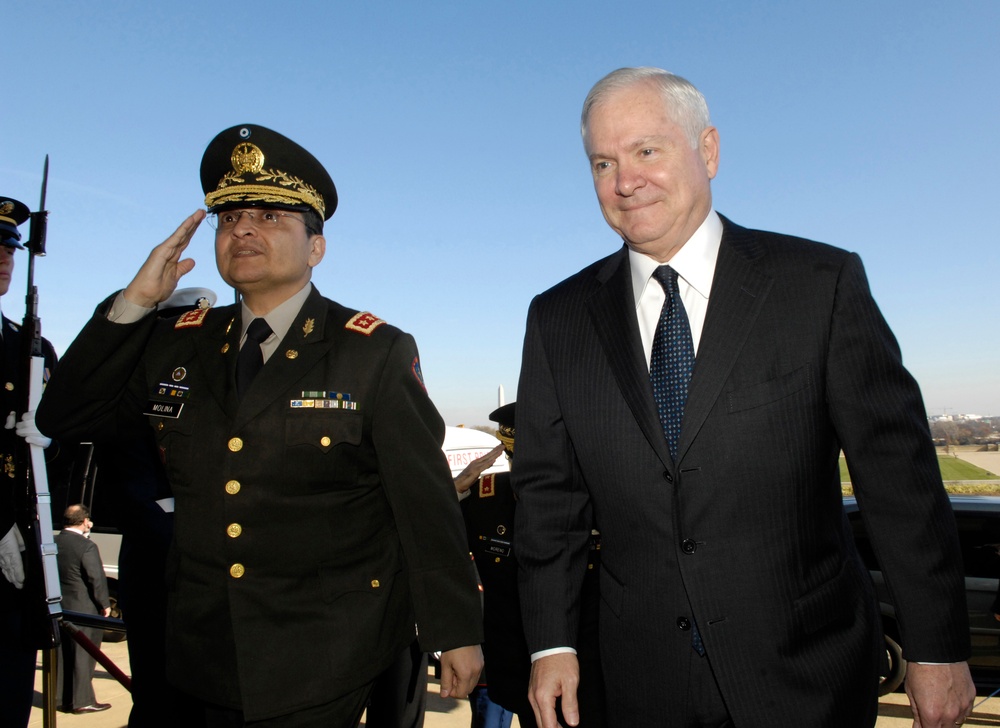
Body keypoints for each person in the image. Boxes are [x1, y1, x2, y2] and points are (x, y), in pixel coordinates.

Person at [512, 67, 975, 728]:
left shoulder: (819, 285)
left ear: (708, 151)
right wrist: (551, 643)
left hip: (805, 673)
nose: (624, 180)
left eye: (647, 151)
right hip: (639, 680)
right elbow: (548, 498)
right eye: (602, 162)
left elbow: (898, 482)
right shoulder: (558, 318)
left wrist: (936, 648)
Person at [35, 124, 484, 726]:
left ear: (315, 247)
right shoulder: (177, 344)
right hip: (198, 652)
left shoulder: (371, 352)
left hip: (324, 653)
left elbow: (423, 503)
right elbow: (65, 414)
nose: (243, 228)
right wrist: (135, 303)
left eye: (271, 216)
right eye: (230, 218)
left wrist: (455, 629)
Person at [91, 288, 215, 728]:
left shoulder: (211, 391)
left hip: (204, 568)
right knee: (162, 695)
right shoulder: (137, 390)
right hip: (160, 557)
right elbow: (134, 485)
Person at [456, 405, 604, 728]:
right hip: (518, 677)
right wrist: (451, 492)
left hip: (594, 680)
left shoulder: (599, 501)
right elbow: (434, 545)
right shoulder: (485, 502)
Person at [0, 195, 60, 728]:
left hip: (20, 548)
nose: (3, 260)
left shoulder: (31, 346)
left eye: (8, 249)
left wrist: (47, 434)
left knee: (9, 689)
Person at [54, 504, 112, 714]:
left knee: (63, 654)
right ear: (85, 520)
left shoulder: (54, 541)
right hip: (84, 609)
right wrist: (104, 604)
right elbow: (96, 579)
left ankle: (62, 698)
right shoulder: (86, 546)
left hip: (62, 606)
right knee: (84, 656)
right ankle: (82, 700)